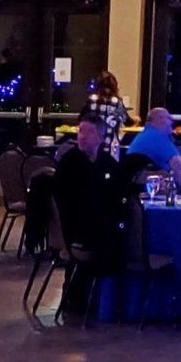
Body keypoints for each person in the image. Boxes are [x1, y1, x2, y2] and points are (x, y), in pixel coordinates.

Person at [51, 115, 133, 325]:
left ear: (101, 137)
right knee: (110, 237)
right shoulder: (70, 163)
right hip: (76, 230)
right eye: (80, 131)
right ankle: (90, 300)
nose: (82, 137)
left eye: (88, 132)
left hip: (97, 224)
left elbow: (120, 192)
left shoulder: (107, 162)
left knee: (124, 232)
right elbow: (67, 202)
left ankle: (111, 301)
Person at [124, 105, 181, 186]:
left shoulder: (143, 135)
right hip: (153, 188)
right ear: (161, 119)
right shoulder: (158, 137)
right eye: (168, 118)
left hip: (132, 186)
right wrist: (178, 187)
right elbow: (177, 163)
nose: (172, 121)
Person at [83, 71, 131, 147]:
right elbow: (128, 123)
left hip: (92, 144)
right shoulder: (117, 103)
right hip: (111, 144)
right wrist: (136, 120)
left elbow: (81, 120)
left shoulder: (91, 102)